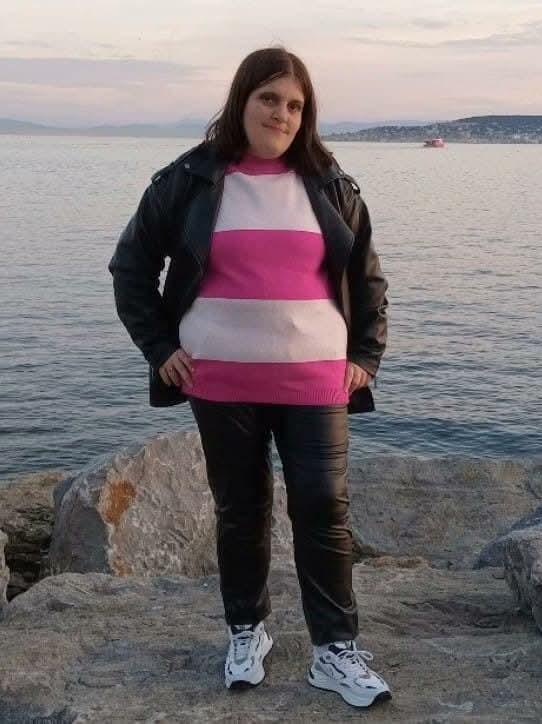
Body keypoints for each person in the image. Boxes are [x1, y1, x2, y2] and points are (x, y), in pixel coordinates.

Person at [108, 46, 390, 709]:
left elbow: (367, 281)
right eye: (269, 99)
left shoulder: (331, 186)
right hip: (221, 380)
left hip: (317, 379)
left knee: (323, 506)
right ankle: (246, 631)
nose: (281, 114)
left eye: (295, 105)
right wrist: (159, 347)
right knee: (241, 510)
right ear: (241, 100)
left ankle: (335, 651)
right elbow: (131, 267)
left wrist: (366, 356)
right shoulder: (189, 181)